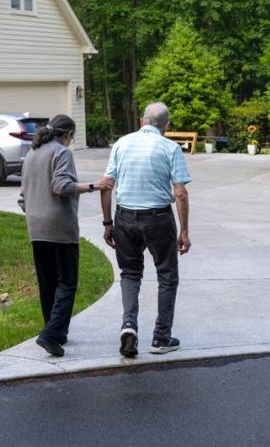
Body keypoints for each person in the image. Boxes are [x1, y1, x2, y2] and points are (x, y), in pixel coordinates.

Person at [100, 102, 192, 358]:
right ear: (166, 126)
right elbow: (181, 193)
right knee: (167, 276)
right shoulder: (170, 147)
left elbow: (107, 185)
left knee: (129, 273)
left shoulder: (121, 144)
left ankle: (128, 326)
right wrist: (184, 231)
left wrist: (108, 223)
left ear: (142, 121)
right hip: (158, 219)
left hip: (125, 217)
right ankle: (161, 338)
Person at [18, 114, 110, 357]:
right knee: (67, 281)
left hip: (35, 228)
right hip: (60, 227)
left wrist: (36, 211)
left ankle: (54, 332)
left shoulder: (32, 153)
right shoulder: (62, 152)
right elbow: (61, 186)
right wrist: (93, 186)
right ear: (68, 134)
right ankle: (50, 334)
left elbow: (22, 197)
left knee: (47, 282)